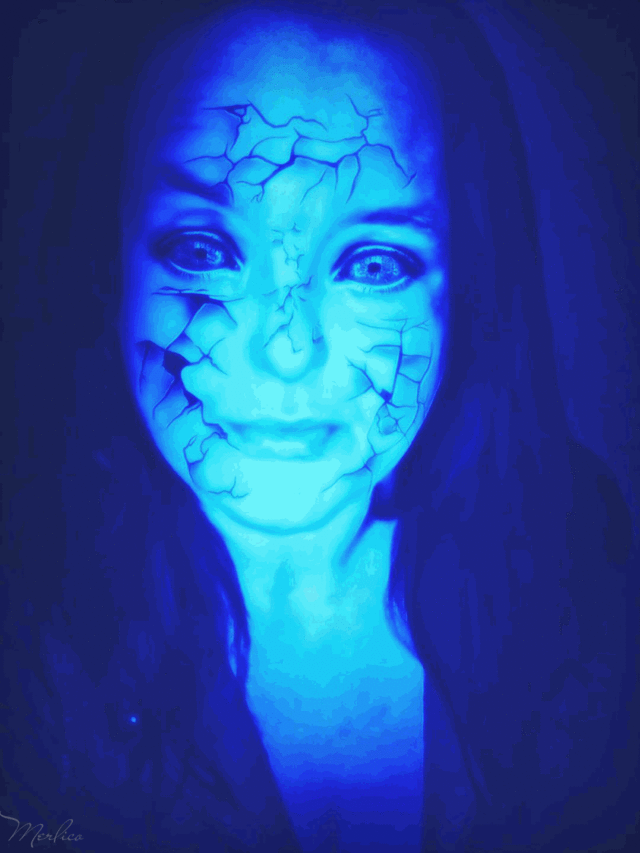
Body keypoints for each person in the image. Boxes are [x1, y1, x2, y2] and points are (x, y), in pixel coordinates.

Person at [2, 1, 637, 851]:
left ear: (468, 291)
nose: (287, 352)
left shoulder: (580, 582)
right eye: (203, 248)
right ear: (103, 270)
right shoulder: (24, 653)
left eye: (373, 262)